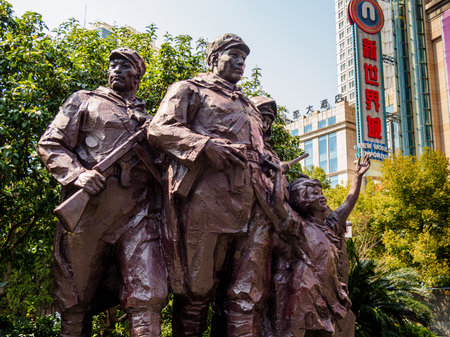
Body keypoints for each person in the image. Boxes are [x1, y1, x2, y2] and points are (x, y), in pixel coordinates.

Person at [148, 33, 274, 336]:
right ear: (213, 59)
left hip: (254, 203)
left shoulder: (249, 105)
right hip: (207, 199)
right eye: (233, 55)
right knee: (196, 290)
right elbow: (159, 128)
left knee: (244, 290)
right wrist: (203, 144)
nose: (241, 62)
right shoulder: (189, 89)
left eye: (244, 58)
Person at [38, 48, 167, 337]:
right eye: (113, 65)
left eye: (125, 66)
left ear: (138, 75)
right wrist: (78, 174)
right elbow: (50, 144)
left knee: (148, 296)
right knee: (75, 298)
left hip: (140, 213)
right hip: (90, 212)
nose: (116, 70)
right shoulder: (84, 101)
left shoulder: (151, 119)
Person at [267, 156, 370, 337]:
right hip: (305, 287)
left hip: (331, 288)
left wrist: (358, 177)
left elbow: (349, 202)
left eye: (321, 192)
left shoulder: (332, 225)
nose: (322, 197)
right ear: (302, 200)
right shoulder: (299, 226)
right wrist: (278, 174)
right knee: (296, 330)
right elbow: (278, 205)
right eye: (315, 194)